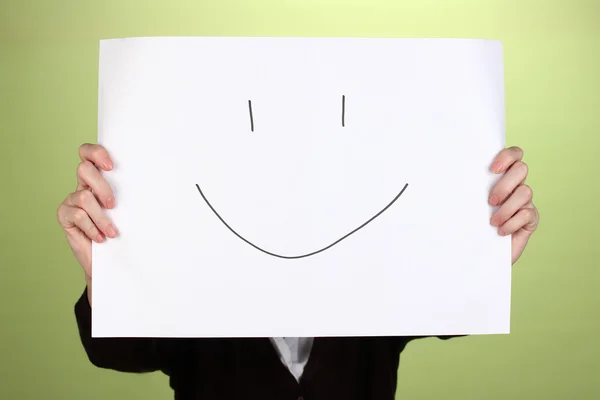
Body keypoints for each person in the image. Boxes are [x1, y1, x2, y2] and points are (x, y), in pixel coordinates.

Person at [57, 143, 539, 400]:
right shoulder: (194, 268)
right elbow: (123, 351)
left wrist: (488, 240)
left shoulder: (375, 268)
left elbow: (449, 304)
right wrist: (113, 271)